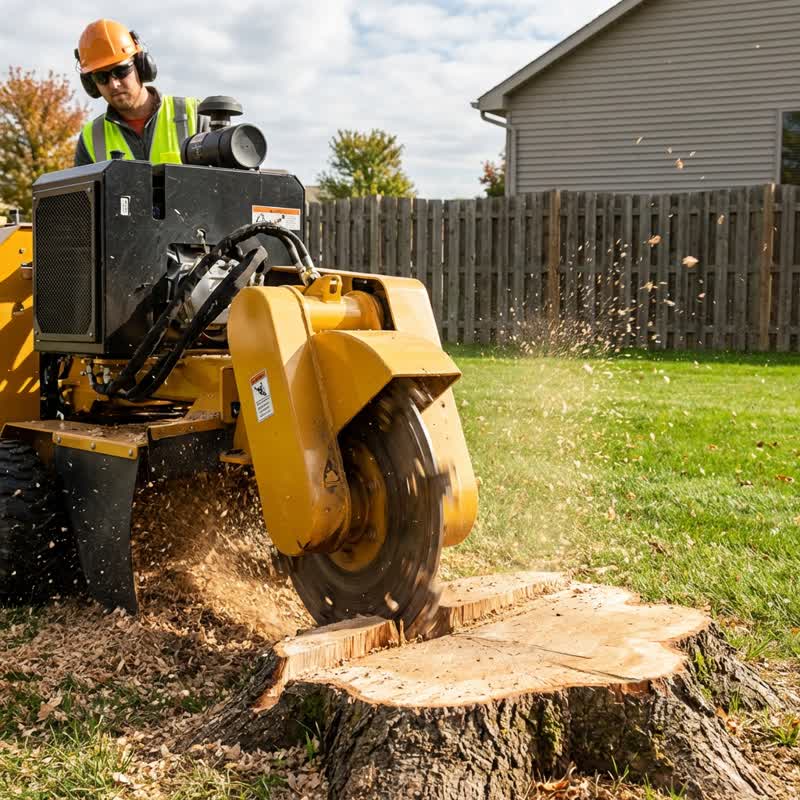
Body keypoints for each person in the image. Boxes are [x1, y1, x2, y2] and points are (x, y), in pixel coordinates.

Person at [74, 19, 205, 166]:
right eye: (101, 77)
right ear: (91, 83)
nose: (114, 84)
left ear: (141, 65)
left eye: (121, 70)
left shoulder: (195, 114)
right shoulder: (91, 137)